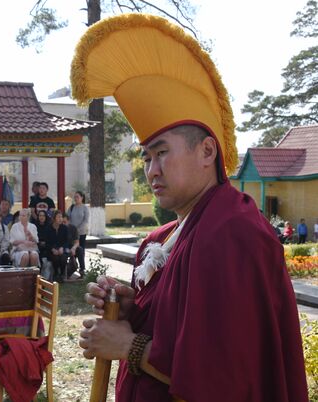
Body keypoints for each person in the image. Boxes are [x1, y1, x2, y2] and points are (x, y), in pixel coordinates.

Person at [72, 14, 307, 402]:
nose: (152, 170)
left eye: (162, 153)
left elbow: (225, 376)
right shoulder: (165, 237)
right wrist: (135, 309)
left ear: (207, 151)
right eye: (146, 158)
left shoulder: (233, 230)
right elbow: (183, 328)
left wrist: (128, 346)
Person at [45, 210, 69, 283]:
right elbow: (47, 243)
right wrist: (52, 249)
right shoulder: (48, 228)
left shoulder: (64, 228)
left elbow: (67, 241)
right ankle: (56, 274)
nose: (61, 219)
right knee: (55, 258)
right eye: (58, 217)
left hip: (61, 249)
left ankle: (61, 275)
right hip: (51, 250)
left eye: (61, 217)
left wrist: (62, 248)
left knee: (63, 258)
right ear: (54, 218)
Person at [67, 191, 89, 268]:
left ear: (82, 198)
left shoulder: (85, 208)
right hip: (72, 234)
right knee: (74, 249)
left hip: (81, 233)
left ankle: (82, 268)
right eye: (75, 197)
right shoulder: (72, 207)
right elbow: (67, 218)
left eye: (77, 197)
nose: (75, 198)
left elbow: (85, 220)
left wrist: (77, 229)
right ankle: (73, 265)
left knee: (81, 250)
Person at [63, 214, 85, 278]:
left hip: (71, 246)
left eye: (65, 222)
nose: (63, 224)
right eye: (62, 222)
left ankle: (82, 270)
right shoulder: (59, 228)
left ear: (68, 221)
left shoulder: (73, 228)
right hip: (62, 247)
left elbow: (77, 242)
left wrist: (74, 248)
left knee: (80, 249)